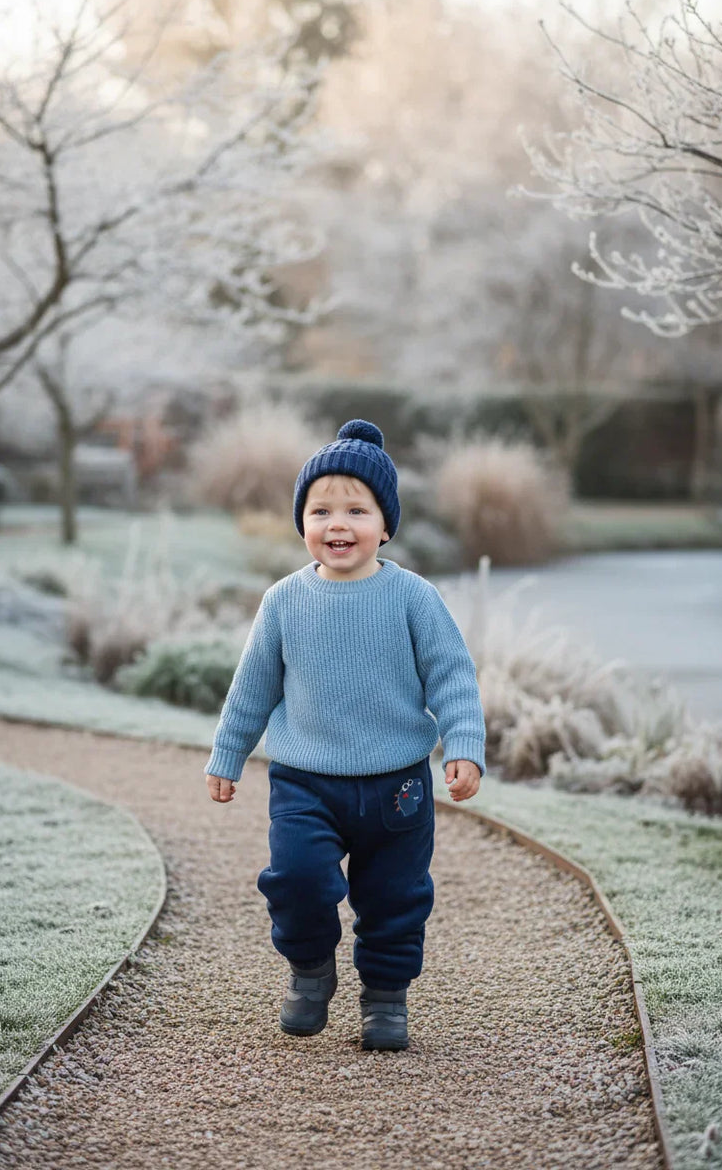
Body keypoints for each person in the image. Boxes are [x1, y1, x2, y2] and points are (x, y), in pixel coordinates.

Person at [204, 418, 486, 1051]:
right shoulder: (283, 600)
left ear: (385, 525)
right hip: (305, 780)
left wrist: (464, 747)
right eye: (321, 509)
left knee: (395, 898)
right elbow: (253, 687)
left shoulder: (414, 597)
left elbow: (453, 678)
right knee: (298, 879)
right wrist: (228, 754)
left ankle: (385, 997)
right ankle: (309, 971)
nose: (338, 523)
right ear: (301, 522)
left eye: (356, 510)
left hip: (398, 788)